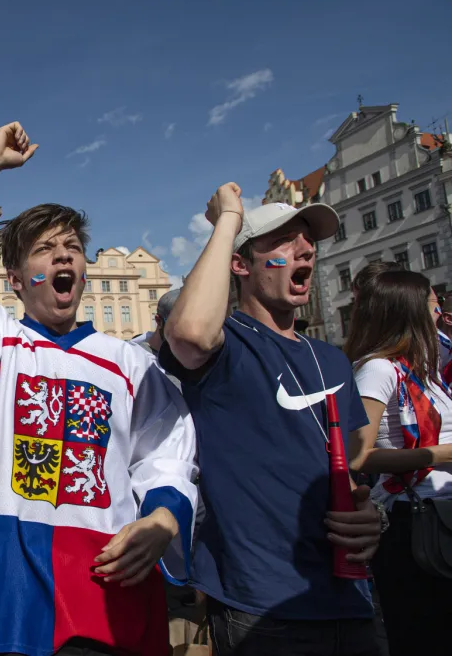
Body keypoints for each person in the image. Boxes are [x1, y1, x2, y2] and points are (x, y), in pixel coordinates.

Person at [0, 122, 197, 656]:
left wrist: (164, 518)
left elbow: (168, 454)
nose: (63, 256)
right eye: (45, 249)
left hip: (105, 575)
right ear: (14, 279)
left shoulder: (130, 362)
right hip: (9, 574)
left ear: (83, 271)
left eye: (73, 248)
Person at [161, 188, 383, 656]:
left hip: (353, 598)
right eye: (284, 241)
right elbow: (188, 332)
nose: (306, 249)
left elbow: (354, 468)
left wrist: (370, 514)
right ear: (241, 265)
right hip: (262, 608)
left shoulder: (332, 359)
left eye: (309, 241)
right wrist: (229, 220)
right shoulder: (228, 347)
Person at [343, 271, 452, 653]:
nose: (439, 309)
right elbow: (358, 454)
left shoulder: (426, 370)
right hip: (413, 519)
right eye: (432, 302)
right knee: (423, 634)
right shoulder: (378, 369)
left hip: (437, 512)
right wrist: (445, 453)